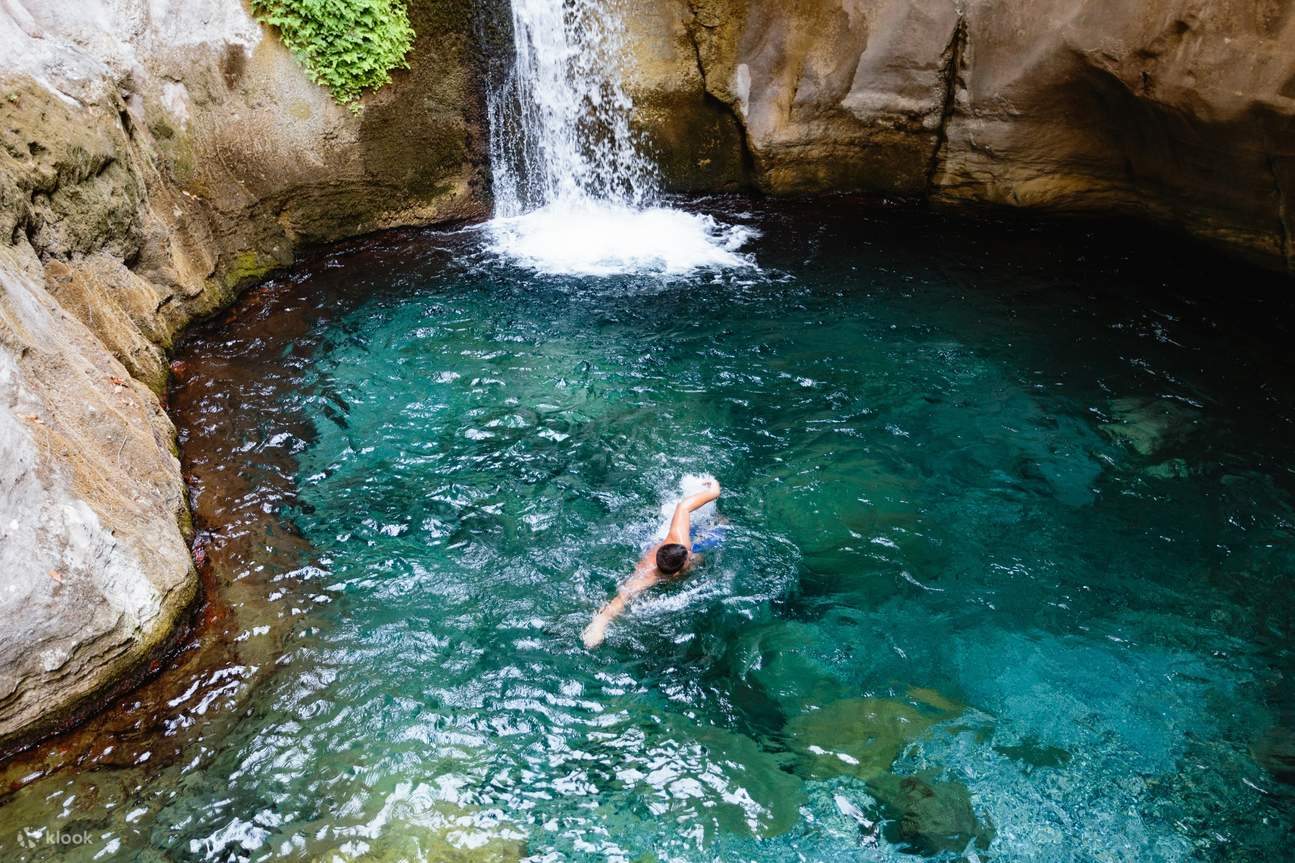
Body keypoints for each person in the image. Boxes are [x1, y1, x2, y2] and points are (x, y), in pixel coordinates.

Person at [582, 479, 722, 649]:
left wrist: (713, 491)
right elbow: (620, 599)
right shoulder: (647, 577)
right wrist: (598, 627)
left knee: (721, 523)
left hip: (667, 547)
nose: (690, 554)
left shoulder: (678, 538)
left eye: (687, 553)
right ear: (674, 573)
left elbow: (684, 506)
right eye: (687, 558)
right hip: (665, 569)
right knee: (712, 539)